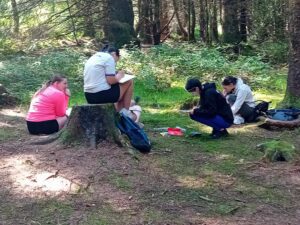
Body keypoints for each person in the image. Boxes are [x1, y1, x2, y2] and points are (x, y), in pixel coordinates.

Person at [83, 44, 134, 113]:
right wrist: (120, 75)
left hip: (89, 96)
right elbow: (111, 81)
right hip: (101, 95)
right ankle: (125, 114)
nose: (115, 63)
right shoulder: (109, 58)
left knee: (120, 88)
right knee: (129, 81)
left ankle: (120, 114)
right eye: (116, 61)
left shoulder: (94, 57)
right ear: (114, 54)